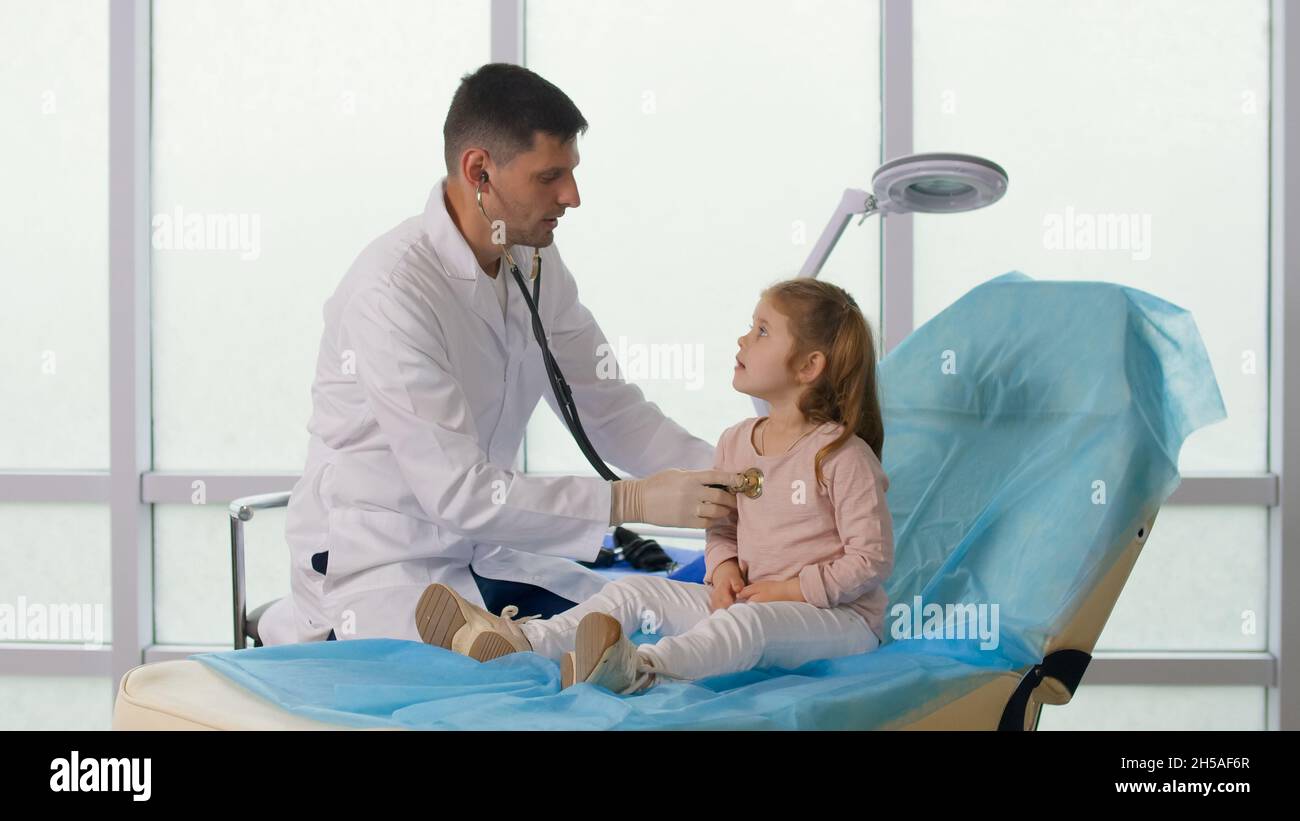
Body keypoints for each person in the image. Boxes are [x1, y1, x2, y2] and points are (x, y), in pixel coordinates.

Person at [261, 63, 739, 645]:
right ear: (479, 171)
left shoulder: (533, 263)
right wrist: (635, 500)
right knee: (598, 645)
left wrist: (736, 478)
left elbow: (610, 410)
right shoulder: (392, 292)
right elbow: (460, 492)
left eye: (572, 173)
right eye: (550, 177)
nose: (573, 196)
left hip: (482, 552)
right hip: (381, 568)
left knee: (687, 621)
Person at [416, 279, 894, 694]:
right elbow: (723, 527)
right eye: (751, 325)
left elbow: (870, 560)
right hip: (744, 597)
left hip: (838, 621)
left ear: (809, 367)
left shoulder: (842, 456)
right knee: (637, 592)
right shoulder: (735, 442)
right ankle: (521, 643)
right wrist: (725, 567)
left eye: (763, 330)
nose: (743, 338)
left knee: (747, 626)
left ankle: (641, 669)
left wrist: (791, 590)